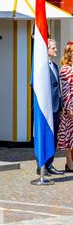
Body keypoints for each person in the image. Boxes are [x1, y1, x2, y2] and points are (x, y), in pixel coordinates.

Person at [38, 39, 64, 176]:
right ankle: (42, 165)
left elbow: (57, 86)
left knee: (53, 137)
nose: (56, 50)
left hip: (56, 107)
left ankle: (49, 163)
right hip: (46, 107)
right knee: (45, 135)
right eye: (53, 47)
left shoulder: (54, 65)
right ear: (46, 49)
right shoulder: (40, 66)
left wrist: (62, 104)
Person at [57, 41, 73, 173]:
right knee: (69, 138)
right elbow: (65, 91)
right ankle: (69, 163)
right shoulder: (65, 69)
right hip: (71, 109)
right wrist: (68, 108)